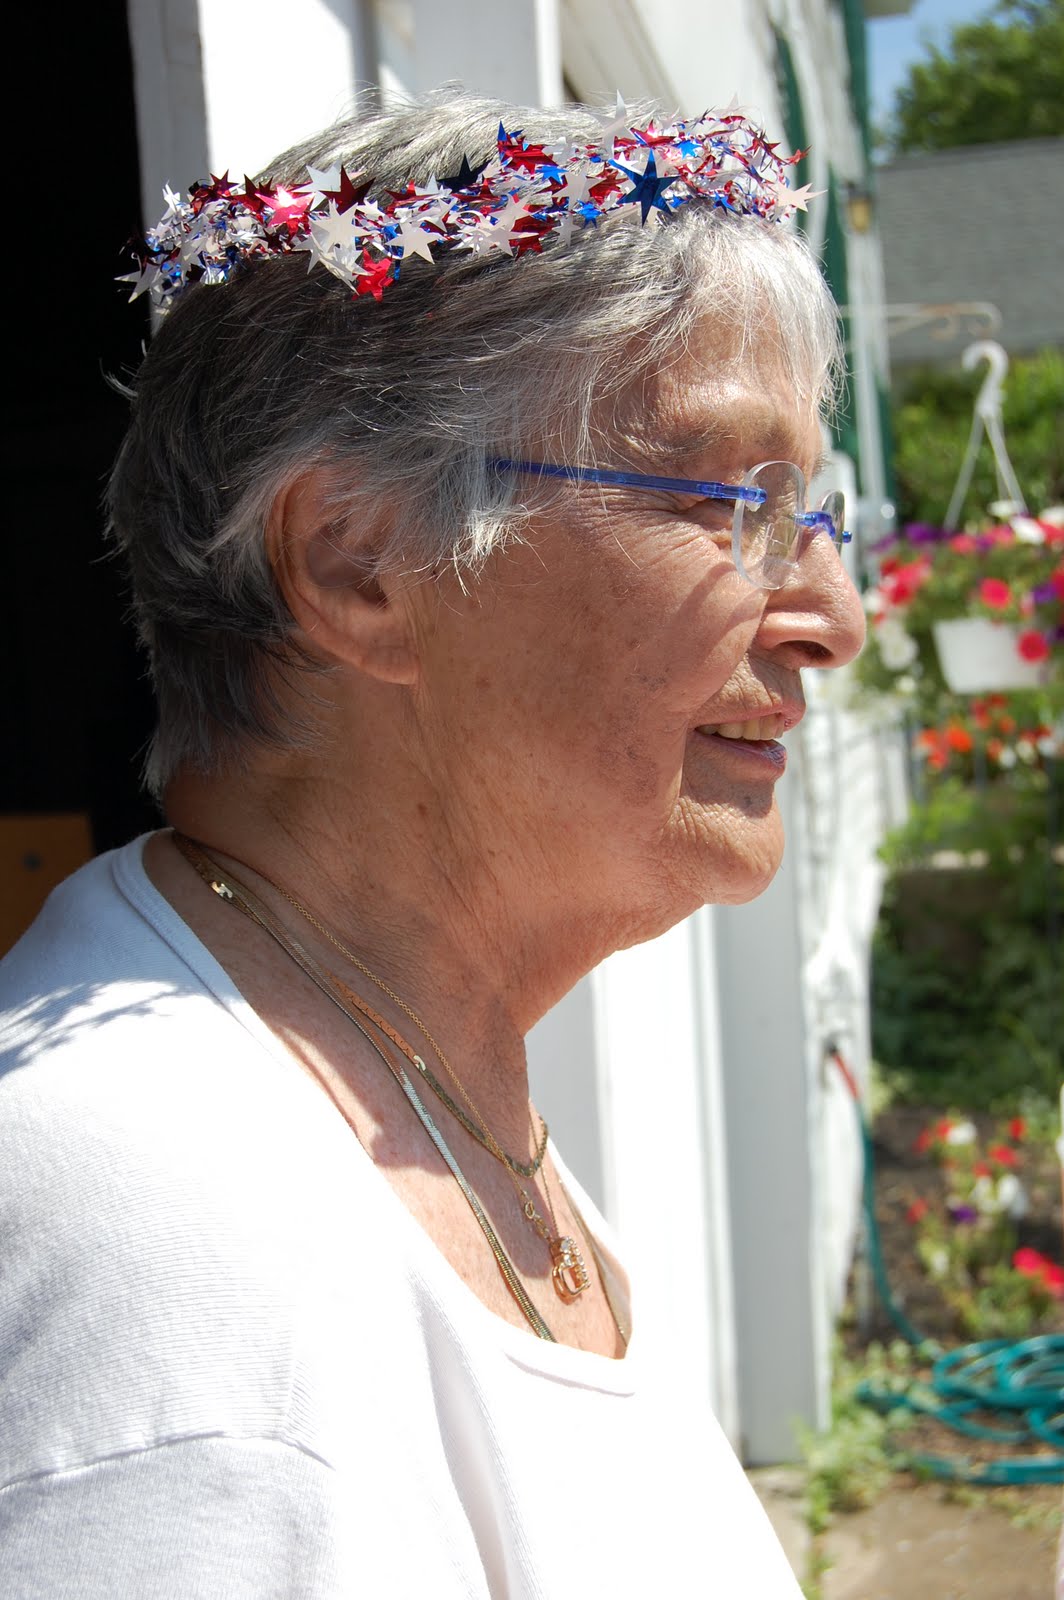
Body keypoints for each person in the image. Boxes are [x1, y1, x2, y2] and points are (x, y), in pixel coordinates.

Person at [0, 90, 864, 1596]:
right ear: (361, 564)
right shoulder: (174, 1238)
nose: (831, 619)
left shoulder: (397, 1083)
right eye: (730, 504)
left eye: (805, 511)